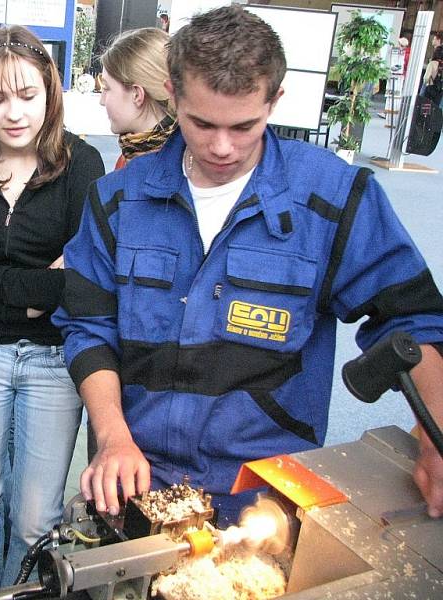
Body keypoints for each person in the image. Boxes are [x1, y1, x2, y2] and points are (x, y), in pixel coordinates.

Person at [52, 5, 443, 527]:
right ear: (173, 91)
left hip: (268, 493)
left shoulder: (332, 198)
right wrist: (113, 435)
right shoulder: (117, 200)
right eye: (201, 122)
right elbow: (89, 326)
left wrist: (436, 433)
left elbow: (410, 319)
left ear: (275, 100)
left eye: (244, 126)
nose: (221, 147)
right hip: (141, 477)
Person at [0, 26, 105, 592]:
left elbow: (75, 288)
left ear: (50, 94)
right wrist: (33, 288)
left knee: (37, 515)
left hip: (53, 363)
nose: (14, 113)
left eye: (28, 95)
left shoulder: (81, 166)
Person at [100, 27, 176, 170]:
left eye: (106, 88)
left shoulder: (179, 165)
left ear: (137, 94)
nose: (102, 101)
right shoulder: (127, 157)